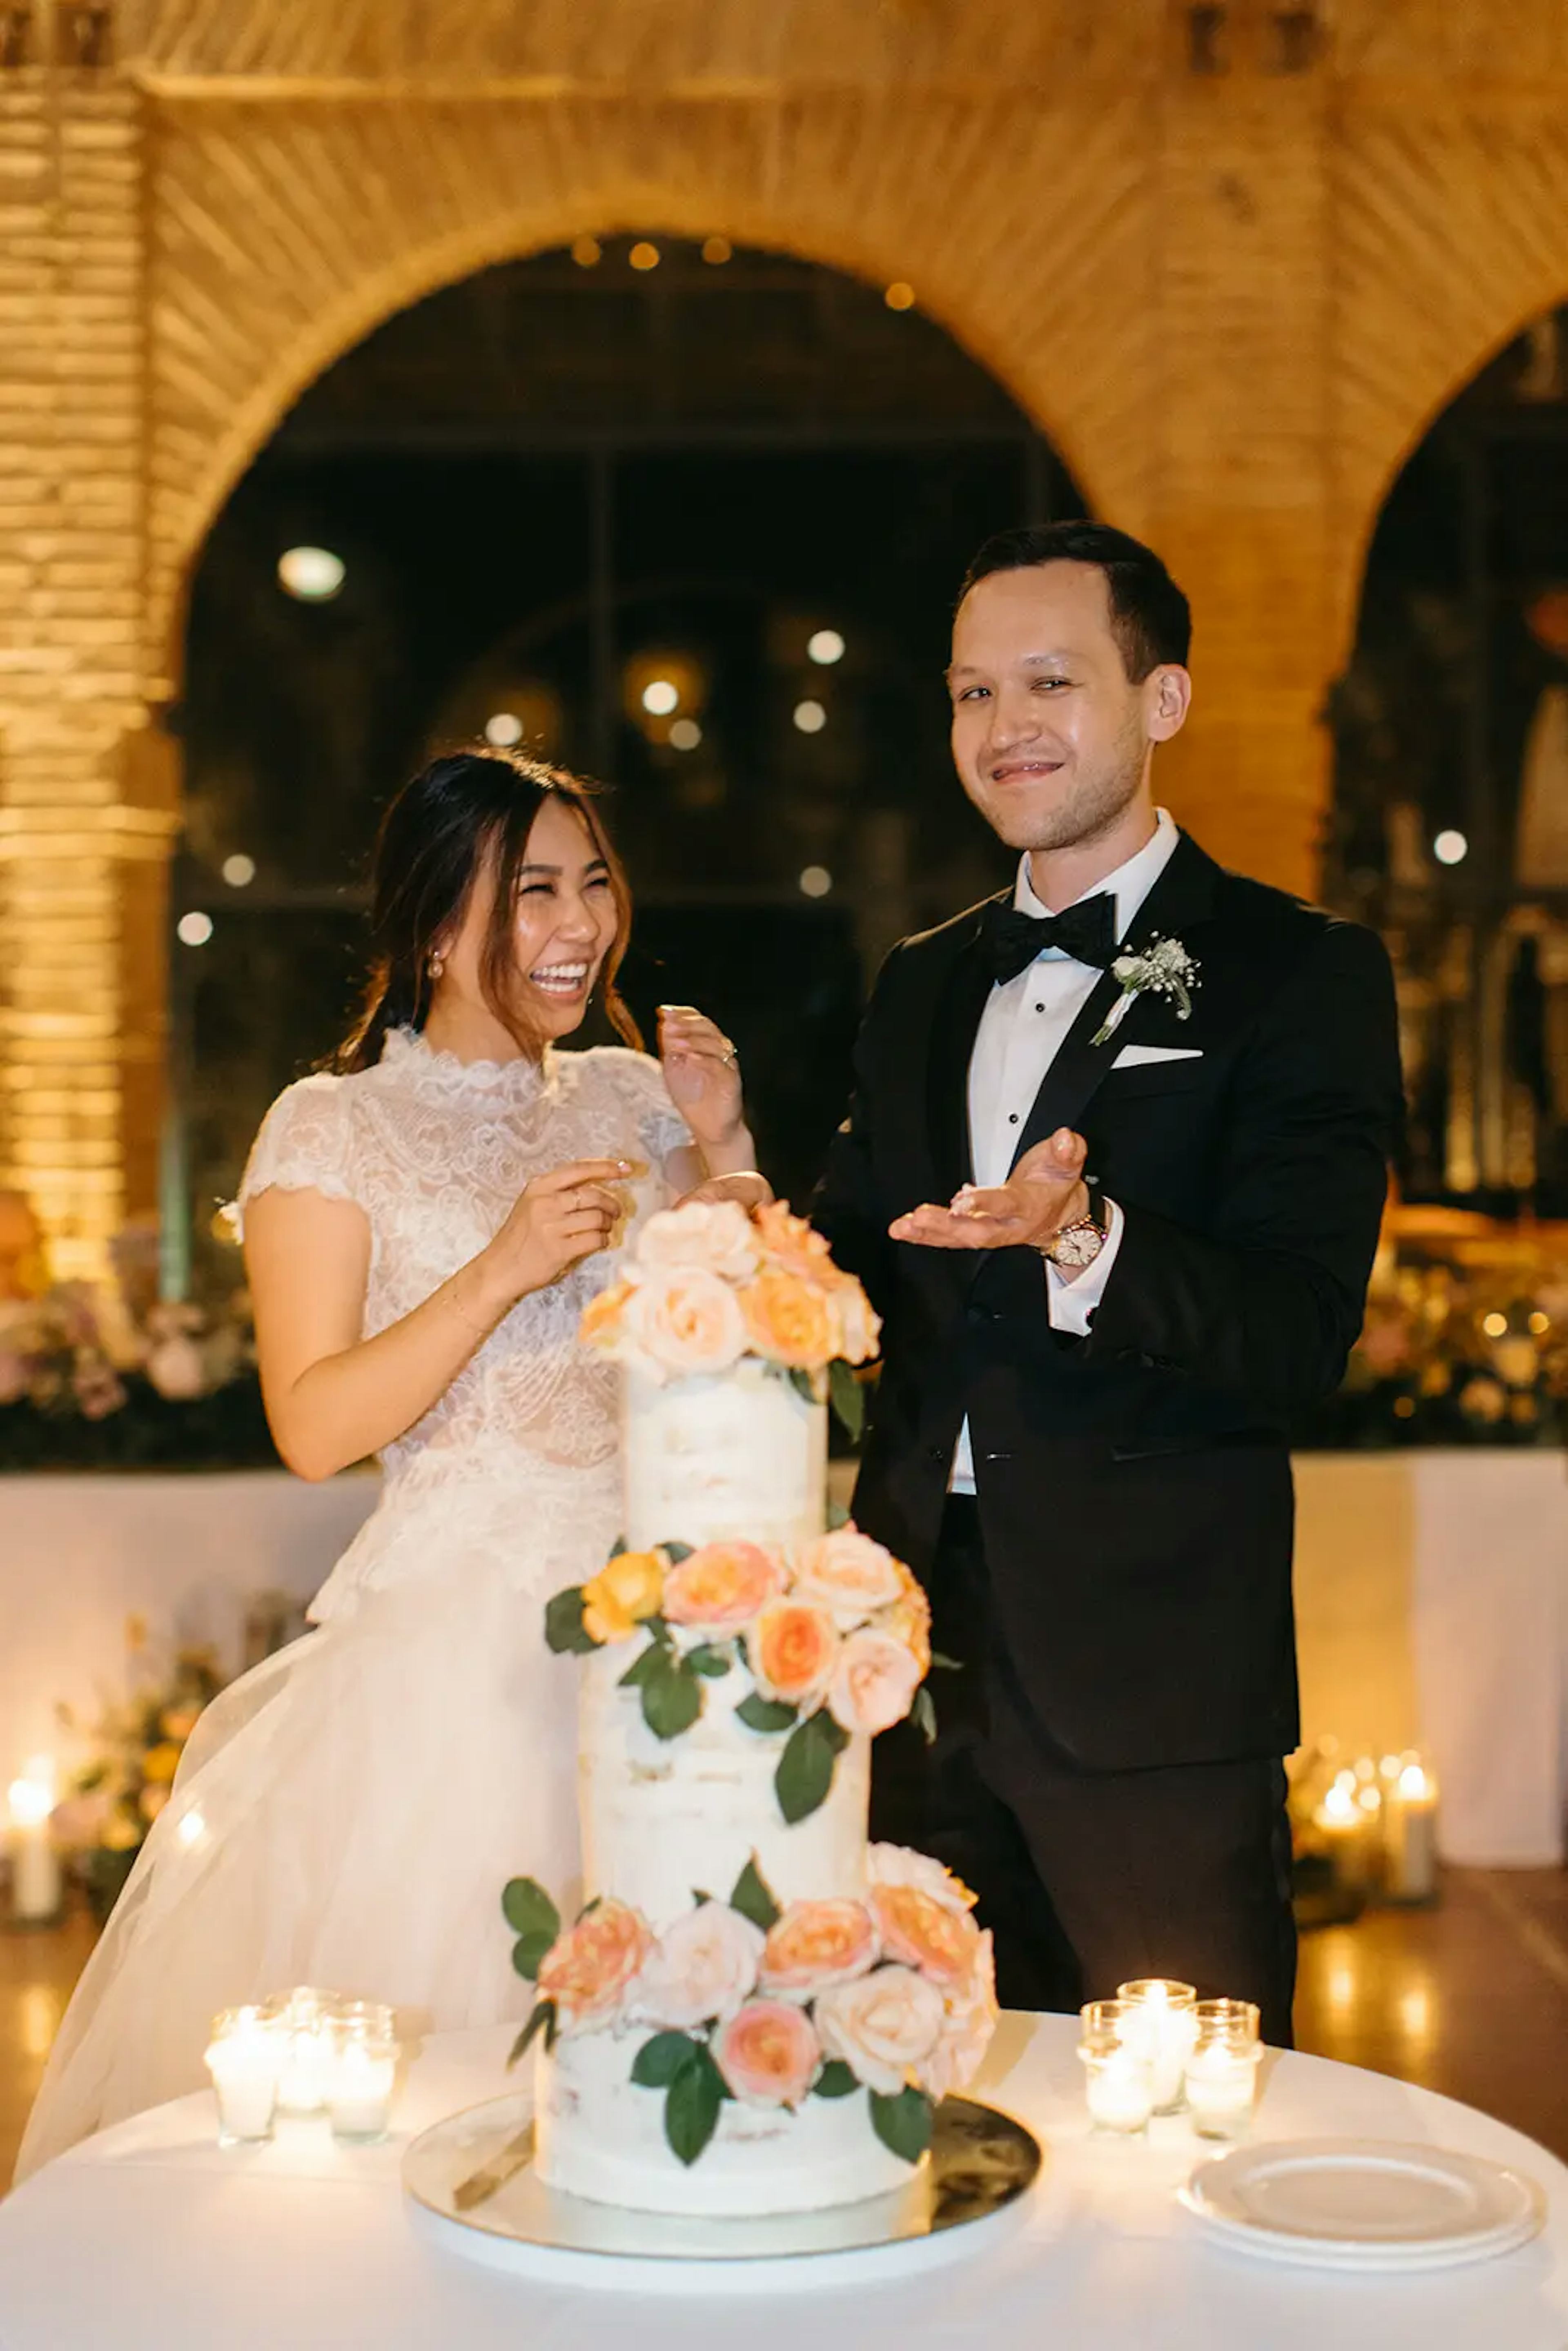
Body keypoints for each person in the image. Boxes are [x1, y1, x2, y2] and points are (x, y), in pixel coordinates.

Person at [17, 748, 760, 2177]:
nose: (580, 923)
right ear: (434, 923)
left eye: (593, 882)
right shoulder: (333, 1126)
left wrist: (722, 1146)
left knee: (677, 2079)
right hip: (462, 1668)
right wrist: (499, 1270)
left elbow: (752, 1339)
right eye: (531, 889)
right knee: (454, 2109)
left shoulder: (630, 1097)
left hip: (668, 1633)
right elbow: (312, 1424)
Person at [813, 521, 1403, 2043]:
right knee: (907, 2113)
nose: (1005, 729)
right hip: (906, 1675)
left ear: (1164, 700)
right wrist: (729, 1172)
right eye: (970, 693)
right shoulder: (920, 980)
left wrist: (1086, 1238)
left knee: (1180, 2146)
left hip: (1150, 1684)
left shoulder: (1298, 971)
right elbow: (855, 1268)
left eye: (1050, 683)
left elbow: (1295, 1336)